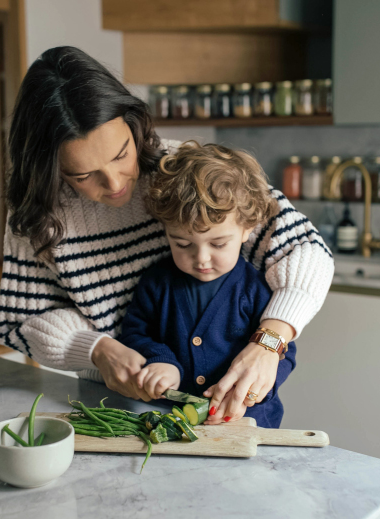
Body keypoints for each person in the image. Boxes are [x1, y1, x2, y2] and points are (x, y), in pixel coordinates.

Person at [0, 46, 334, 425]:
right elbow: (23, 320)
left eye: (122, 154)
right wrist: (95, 350)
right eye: (83, 175)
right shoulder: (36, 209)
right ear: (49, 167)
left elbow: (306, 250)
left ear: (133, 122)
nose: (115, 183)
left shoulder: (183, 170)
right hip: (116, 408)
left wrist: (269, 342)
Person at [118, 142, 296, 427]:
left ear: (247, 229)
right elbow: (135, 332)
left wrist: (255, 391)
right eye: (182, 243)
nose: (201, 259)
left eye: (218, 244)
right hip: (172, 421)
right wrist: (160, 360)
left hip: (249, 422)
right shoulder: (156, 283)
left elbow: (283, 353)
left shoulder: (257, 287)